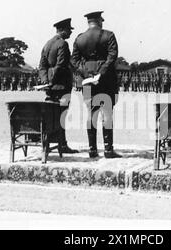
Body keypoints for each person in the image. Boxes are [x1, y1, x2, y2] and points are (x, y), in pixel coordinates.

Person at [72, 11, 122, 159]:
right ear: (100, 21)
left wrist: (86, 73)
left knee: (91, 113)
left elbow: (74, 61)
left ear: (88, 22)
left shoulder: (80, 38)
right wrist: (101, 72)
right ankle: (108, 149)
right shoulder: (109, 35)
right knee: (107, 114)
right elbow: (112, 56)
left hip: (87, 82)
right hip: (106, 80)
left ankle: (92, 149)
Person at [38, 17, 79, 154]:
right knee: (62, 115)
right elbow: (61, 65)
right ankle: (62, 144)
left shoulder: (47, 44)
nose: (70, 33)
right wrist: (53, 80)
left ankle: (50, 142)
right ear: (63, 30)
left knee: (51, 115)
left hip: (50, 87)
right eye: (69, 30)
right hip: (62, 86)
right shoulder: (63, 44)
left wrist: (45, 81)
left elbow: (42, 66)